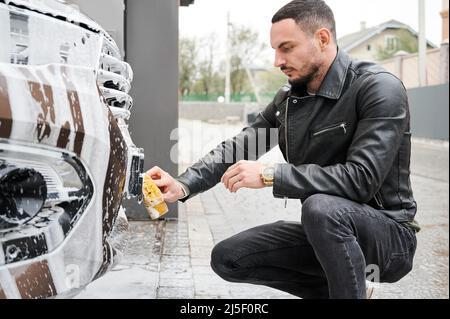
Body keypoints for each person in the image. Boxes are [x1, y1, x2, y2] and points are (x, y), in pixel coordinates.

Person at [147, 0, 420, 299]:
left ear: (323, 39)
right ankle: (353, 290)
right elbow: (242, 144)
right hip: (327, 228)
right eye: (275, 50)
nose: (277, 60)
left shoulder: (378, 88)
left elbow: (361, 179)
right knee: (229, 257)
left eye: (286, 48)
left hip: (389, 236)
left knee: (320, 208)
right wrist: (184, 184)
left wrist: (270, 175)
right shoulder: (289, 99)